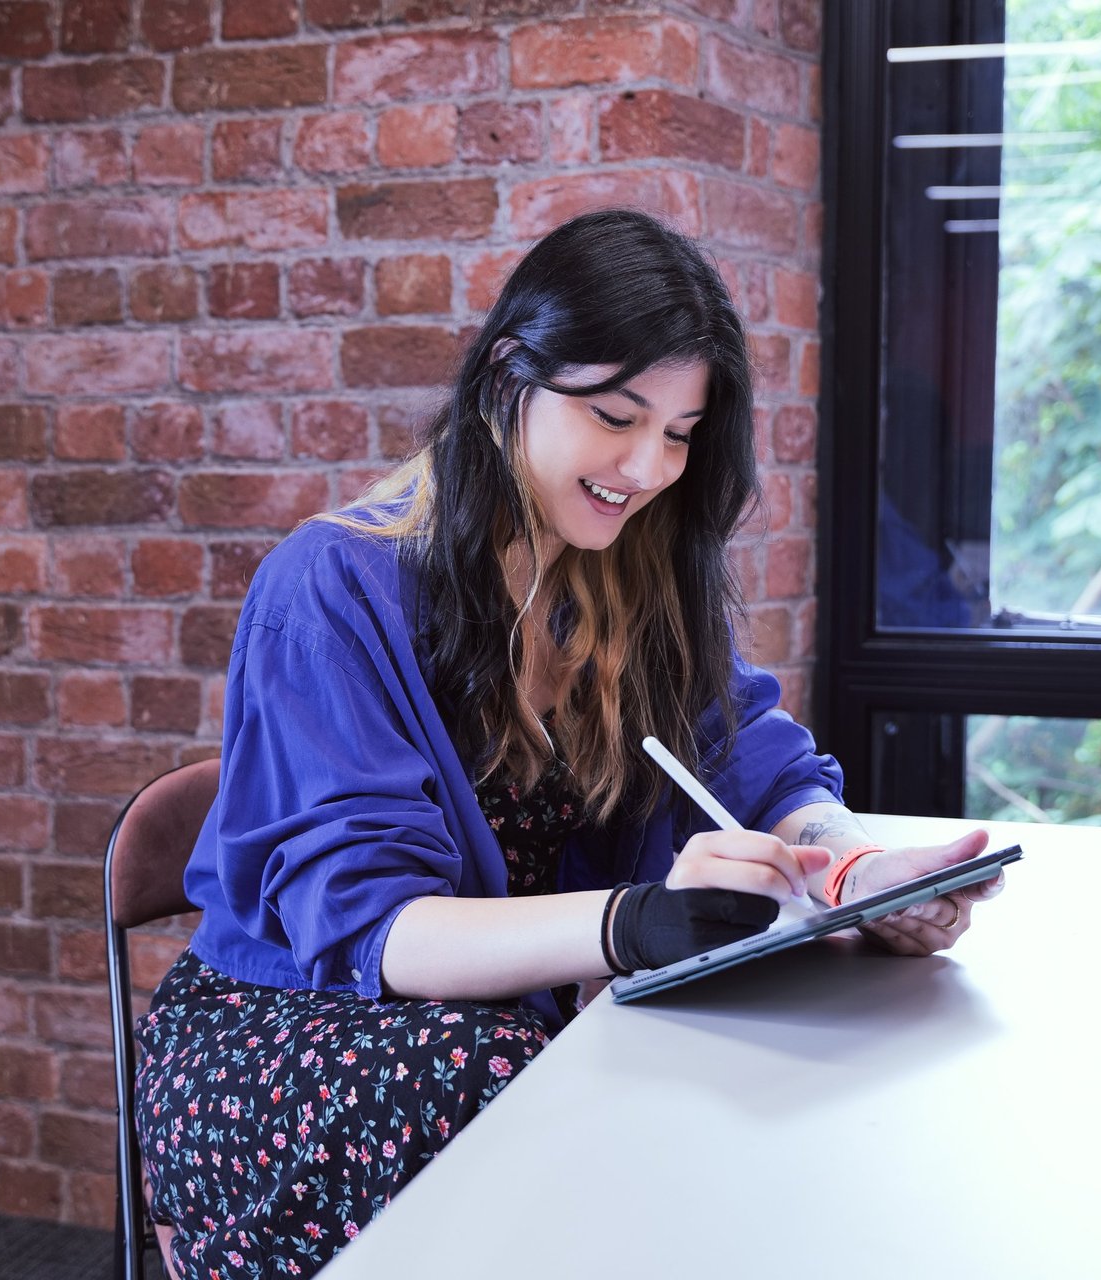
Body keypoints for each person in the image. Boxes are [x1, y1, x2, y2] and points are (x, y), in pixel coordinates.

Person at [132, 208, 1003, 1279]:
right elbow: (376, 933)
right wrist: (634, 923)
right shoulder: (330, 588)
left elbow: (755, 761)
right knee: (524, 1091)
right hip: (286, 1033)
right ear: (511, 375)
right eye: (615, 415)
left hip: (494, 1036)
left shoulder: (631, 575)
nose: (647, 466)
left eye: (681, 433)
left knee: (676, 1080)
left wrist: (855, 863)